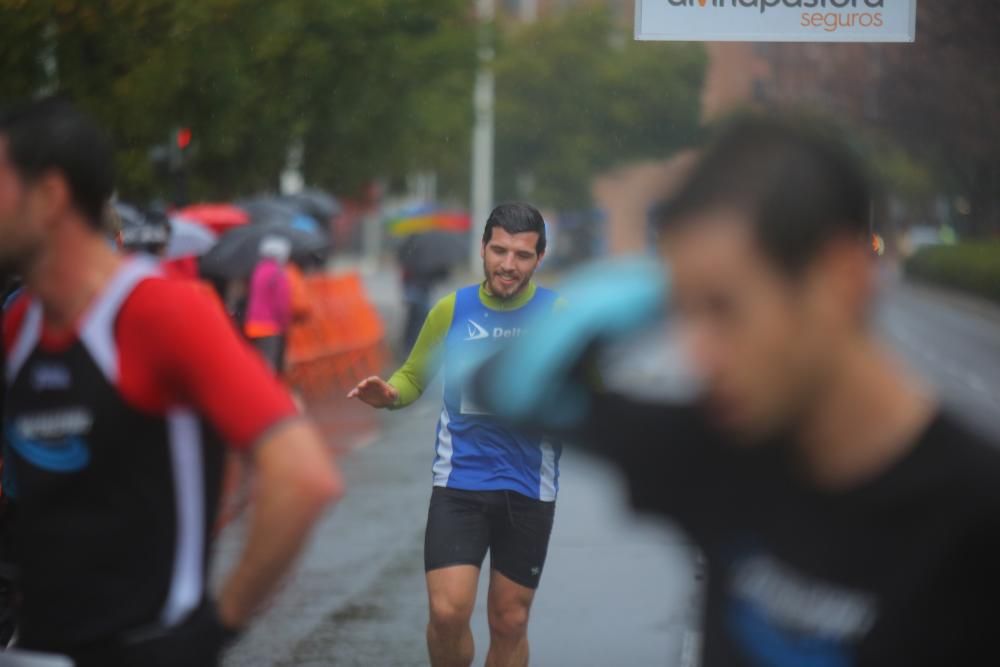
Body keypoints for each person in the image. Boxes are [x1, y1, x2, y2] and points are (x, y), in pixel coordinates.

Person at [473, 114, 1000, 666]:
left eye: (725, 309)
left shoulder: (975, 522)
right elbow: (511, 386)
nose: (698, 355)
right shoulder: (722, 452)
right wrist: (669, 280)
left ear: (839, 278)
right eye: (686, 312)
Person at [0, 97, 342, 666]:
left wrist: (210, 631)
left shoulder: (159, 315)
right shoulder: (20, 325)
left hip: (145, 648)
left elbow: (304, 477)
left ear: (50, 197)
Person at [348, 203, 563, 667]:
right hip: (460, 483)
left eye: (522, 255)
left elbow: (589, 388)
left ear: (539, 259)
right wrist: (388, 394)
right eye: (499, 250)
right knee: (447, 612)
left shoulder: (558, 315)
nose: (509, 265)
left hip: (529, 488)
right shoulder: (452, 309)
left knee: (509, 621)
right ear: (483, 248)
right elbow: (412, 378)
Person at [244, 236, 293, 374]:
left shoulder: (258, 270)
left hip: (253, 324)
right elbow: (281, 303)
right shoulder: (278, 273)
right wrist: (284, 323)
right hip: (270, 326)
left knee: (256, 363)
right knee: (268, 366)